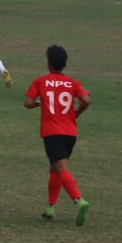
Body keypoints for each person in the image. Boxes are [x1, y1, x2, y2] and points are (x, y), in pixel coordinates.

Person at [23, 44, 91, 225]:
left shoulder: (41, 81)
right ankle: (50, 208)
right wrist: (76, 114)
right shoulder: (72, 82)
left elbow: (27, 103)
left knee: (61, 169)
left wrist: (39, 103)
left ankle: (79, 201)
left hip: (52, 133)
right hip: (70, 133)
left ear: (48, 63)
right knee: (55, 169)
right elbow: (86, 99)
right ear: (65, 64)